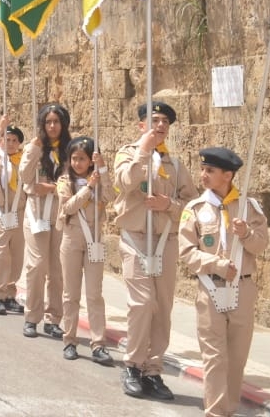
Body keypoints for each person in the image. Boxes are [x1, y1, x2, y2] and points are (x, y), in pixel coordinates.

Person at [113, 100, 197, 401]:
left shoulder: (175, 164)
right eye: (156, 120)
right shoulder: (127, 154)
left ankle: (153, 370)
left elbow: (192, 207)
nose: (161, 126)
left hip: (165, 242)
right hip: (136, 238)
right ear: (142, 124)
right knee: (142, 303)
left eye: (165, 122)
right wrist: (144, 151)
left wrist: (170, 205)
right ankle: (133, 366)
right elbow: (126, 182)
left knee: (162, 308)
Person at [180, 146, 270, 417]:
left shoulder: (249, 208)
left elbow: (261, 245)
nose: (203, 174)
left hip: (242, 288)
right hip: (211, 288)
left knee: (237, 357)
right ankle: (216, 412)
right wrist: (216, 264)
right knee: (214, 356)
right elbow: (186, 252)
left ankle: (229, 409)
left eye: (210, 170)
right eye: (203, 169)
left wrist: (246, 234)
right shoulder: (195, 209)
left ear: (228, 175)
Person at [58, 135, 112, 364]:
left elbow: (111, 196)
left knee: (94, 294)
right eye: (74, 158)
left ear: (91, 160)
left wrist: (104, 171)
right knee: (71, 294)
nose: (78, 163)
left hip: (94, 241)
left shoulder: (99, 180)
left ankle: (98, 343)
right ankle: (69, 339)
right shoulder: (64, 181)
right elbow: (69, 206)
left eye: (83, 159)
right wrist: (88, 187)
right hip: (72, 239)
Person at [19, 102, 70, 338]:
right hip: (37, 214)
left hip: (58, 215)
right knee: (37, 266)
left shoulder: (69, 149)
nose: (52, 126)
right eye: (48, 122)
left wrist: (49, 187)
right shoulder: (36, 147)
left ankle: (54, 318)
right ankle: (32, 316)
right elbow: (25, 177)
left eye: (56, 121)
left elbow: (69, 183)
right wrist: (34, 149)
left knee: (57, 270)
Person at [0, 115, 26, 317]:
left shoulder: (23, 160)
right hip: (0, 209)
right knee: (1, 254)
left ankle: (10, 293)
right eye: (7, 140)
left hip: (19, 211)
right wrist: (0, 129)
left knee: (16, 255)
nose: (10, 143)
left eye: (14, 140)